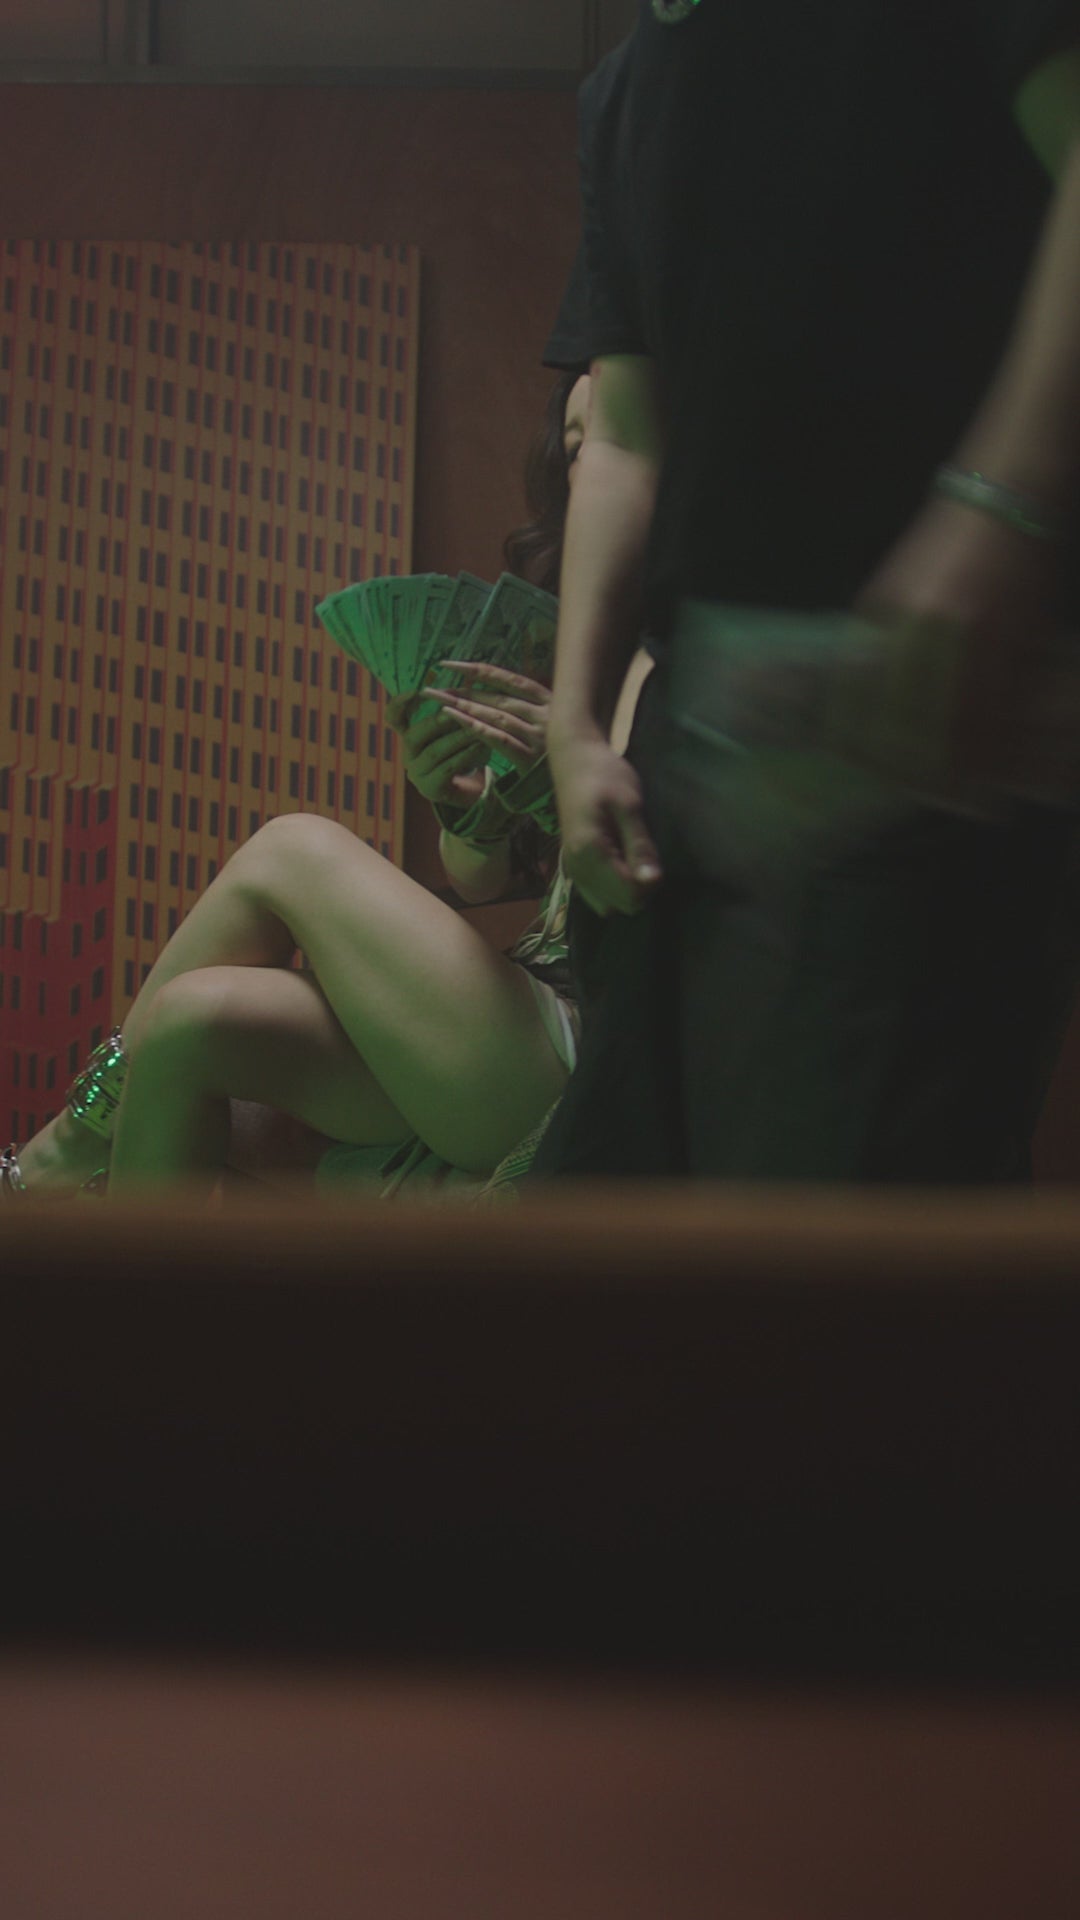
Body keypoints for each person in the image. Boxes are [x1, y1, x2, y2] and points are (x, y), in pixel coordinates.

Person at [529, 6, 1080, 1183]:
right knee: (615, 1237)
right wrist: (574, 725)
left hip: (920, 738)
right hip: (688, 768)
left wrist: (1000, 508)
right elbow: (624, 433)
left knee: (842, 1261)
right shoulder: (622, 92)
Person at [1, 375, 605, 1202]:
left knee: (293, 846)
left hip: (590, 1054)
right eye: (574, 446)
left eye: (611, 437)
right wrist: (466, 805)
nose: (589, 468)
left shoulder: (691, 645)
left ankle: (60, 1154)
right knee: (191, 1018)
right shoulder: (573, 618)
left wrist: (566, 777)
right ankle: (108, 1281)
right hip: (507, 1024)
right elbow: (480, 879)